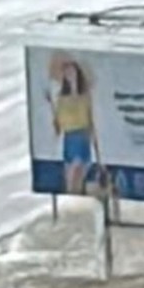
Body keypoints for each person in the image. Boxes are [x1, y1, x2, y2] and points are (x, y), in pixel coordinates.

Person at [49, 58, 96, 196]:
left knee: (81, 172)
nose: (70, 75)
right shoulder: (62, 99)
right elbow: (59, 123)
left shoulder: (85, 96)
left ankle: (79, 197)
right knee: (72, 172)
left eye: (72, 72)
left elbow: (90, 118)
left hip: (83, 135)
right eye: (67, 73)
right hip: (71, 136)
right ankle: (71, 197)